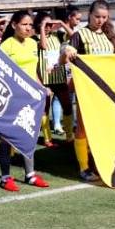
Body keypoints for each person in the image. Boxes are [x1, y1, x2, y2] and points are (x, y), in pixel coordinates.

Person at [62, 0, 115, 182]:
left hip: (108, 91)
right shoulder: (80, 35)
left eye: (104, 17)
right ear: (90, 15)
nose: (100, 20)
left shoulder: (110, 36)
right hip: (87, 89)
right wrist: (66, 50)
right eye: (97, 17)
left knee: (106, 127)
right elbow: (63, 57)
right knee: (83, 128)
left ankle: (101, 161)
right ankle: (84, 167)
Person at [0, 10, 49, 190]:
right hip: (12, 98)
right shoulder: (6, 45)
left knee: (29, 135)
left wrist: (41, 87)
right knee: (6, 138)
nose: (28, 28)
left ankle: (30, 175)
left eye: (30, 24)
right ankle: (5, 177)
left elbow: (32, 70)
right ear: (14, 25)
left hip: (30, 98)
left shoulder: (33, 44)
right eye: (24, 24)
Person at [37, 11, 74, 142]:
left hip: (59, 77)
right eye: (46, 24)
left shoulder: (58, 35)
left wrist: (62, 23)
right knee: (45, 110)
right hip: (45, 79)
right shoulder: (35, 38)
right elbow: (43, 46)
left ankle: (69, 136)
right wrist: (42, 28)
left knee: (68, 106)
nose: (49, 26)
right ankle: (47, 139)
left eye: (50, 24)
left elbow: (74, 37)